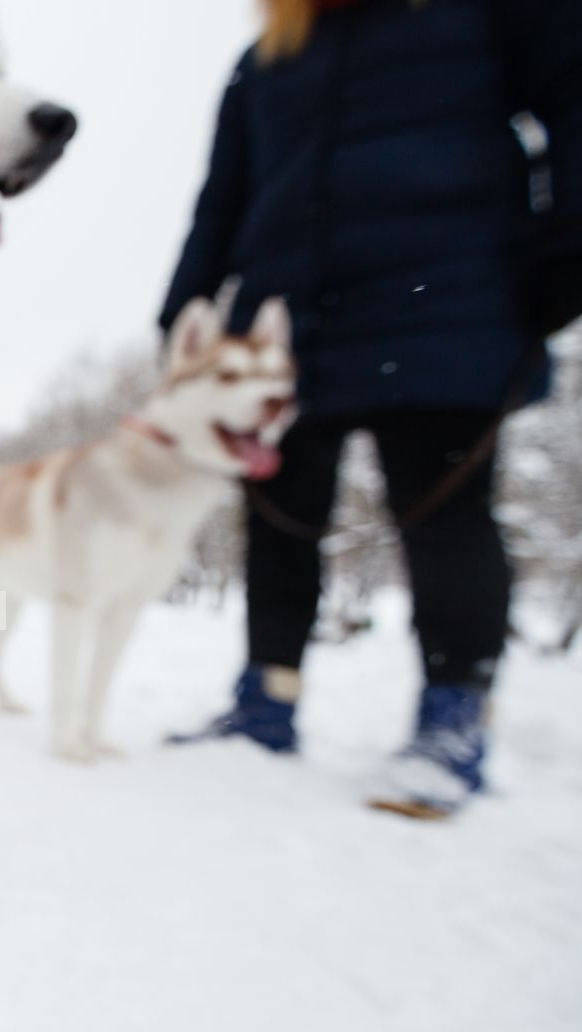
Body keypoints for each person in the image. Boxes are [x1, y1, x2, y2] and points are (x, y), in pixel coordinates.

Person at [163, 0, 582, 817]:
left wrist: (566, 247)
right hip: (289, 320)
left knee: (444, 511)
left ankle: (453, 718)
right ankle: (267, 700)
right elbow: (224, 196)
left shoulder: (483, 17)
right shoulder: (269, 59)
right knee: (280, 508)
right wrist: (181, 309)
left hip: (447, 299)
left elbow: (574, 102)